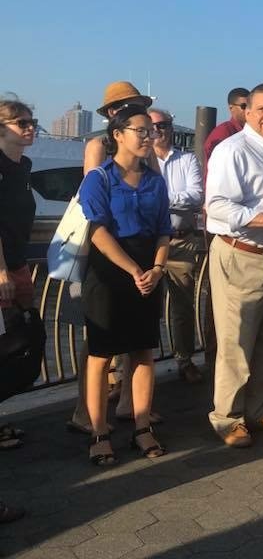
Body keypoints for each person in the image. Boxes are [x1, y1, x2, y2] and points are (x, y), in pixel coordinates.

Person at [205, 83, 263, 447]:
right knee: (236, 342)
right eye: (261, 108)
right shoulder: (232, 151)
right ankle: (227, 417)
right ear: (246, 111)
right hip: (242, 253)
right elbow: (216, 206)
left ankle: (259, 407)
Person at [79, 105, 172, 465]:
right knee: (101, 357)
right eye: (141, 130)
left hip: (149, 270)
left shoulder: (155, 181)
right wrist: (135, 269)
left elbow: (164, 228)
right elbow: (98, 231)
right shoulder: (99, 179)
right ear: (118, 135)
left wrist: (158, 268)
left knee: (143, 351)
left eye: (151, 131)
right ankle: (99, 431)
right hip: (109, 272)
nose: (149, 137)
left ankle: (142, 425)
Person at [68, 82, 156, 434]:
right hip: (106, 254)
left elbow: (156, 188)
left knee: (134, 340)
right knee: (100, 340)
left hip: (140, 250)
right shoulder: (97, 147)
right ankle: (86, 413)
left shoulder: (144, 148)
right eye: (128, 106)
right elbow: (94, 199)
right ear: (111, 115)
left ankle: (128, 404)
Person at [149, 108, 204, 384]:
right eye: (153, 125)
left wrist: (159, 198)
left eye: (164, 125)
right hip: (147, 245)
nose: (159, 130)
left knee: (183, 306)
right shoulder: (141, 162)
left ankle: (184, 359)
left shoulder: (187, 159)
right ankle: (125, 372)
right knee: (142, 307)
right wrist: (174, 199)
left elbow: (196, 196)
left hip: (182, 240)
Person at [0, 98, 37, 467]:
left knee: (16, 344)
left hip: (20, 264)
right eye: (20, 122)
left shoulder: (23, 166)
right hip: (3, 270)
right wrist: (0, 273)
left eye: (31, 121)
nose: (28, 127)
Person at [203, 87, 248, 164]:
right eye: (244, 106)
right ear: (231, 108)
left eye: (251, 106)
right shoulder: (224, 132)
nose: (248, 109)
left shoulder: (252, 132)